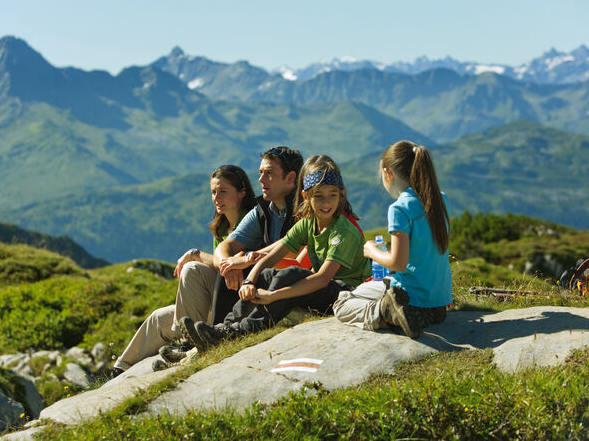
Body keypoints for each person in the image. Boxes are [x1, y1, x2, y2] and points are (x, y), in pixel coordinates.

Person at [183, 155, 370, 347]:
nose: (326, 203)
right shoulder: (307, 223)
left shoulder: (343, 231)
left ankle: (242, 330)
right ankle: (224, 327)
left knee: (290, 274)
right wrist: (249, 281)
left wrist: (273, 296)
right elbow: (271, 257)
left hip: (348, 293)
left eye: (333, 195)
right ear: (306, 197)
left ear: (342, 195)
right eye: (319, 196)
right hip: (326, 288)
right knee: (267, 274)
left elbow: (322, 278)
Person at [110, 165, 256, 376]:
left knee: (191, 269)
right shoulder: (222, 228)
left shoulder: (251, 223)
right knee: (158, 318)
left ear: (242, 193)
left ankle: (187, 343)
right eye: (213, 192)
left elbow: (238, 261)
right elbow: (223, 263)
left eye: (223, 191)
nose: (216, 198)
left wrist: (195, 254)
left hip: (232, 304)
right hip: (214, 298)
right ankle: (119, 370)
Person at [333, 141, 452, 338]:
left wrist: (372, 251)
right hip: (439, 301)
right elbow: (418, 255)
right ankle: (410, 312)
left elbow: (398, 262)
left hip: (411, 298)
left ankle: (386, 312)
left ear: (389, 174)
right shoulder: (441, 199)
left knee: (342, 302)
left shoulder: (399, 208)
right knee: (373, 287)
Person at [208, 147, 304, 328]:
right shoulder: (263, 210)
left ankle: (218, 332)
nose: (260, 180)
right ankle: (216, 331)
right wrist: (230, 264)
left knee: (236, 269)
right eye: (260, 173)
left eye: (269, 174)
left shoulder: (305, 209)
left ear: (290, 178)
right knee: (227, 270)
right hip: (268, 277)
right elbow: (224, 247)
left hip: (293, 284)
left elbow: (293, 250)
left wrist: (245, 260)